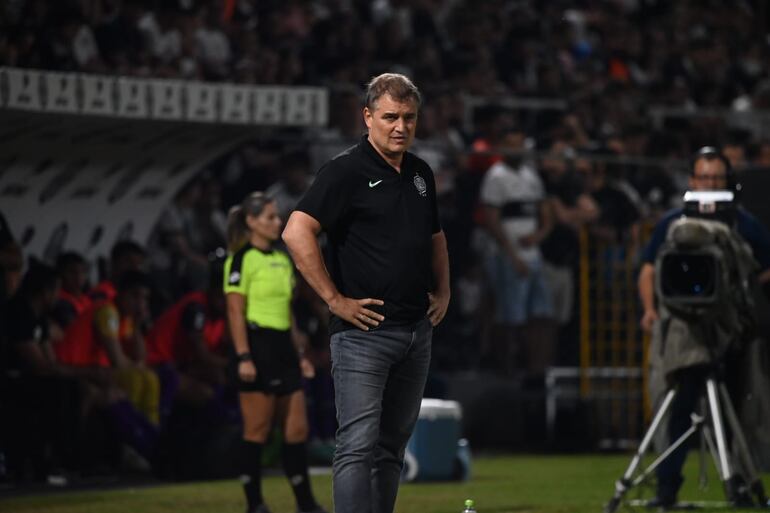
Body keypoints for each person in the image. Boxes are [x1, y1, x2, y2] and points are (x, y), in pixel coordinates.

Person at [282, 73, 451, 513]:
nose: (401, 127)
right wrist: (335, 300)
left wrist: (445, 292)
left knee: (391, 448)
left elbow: (436, 237)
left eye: (409, 118)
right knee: (357, 446)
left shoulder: (419, 172)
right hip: (363, 336)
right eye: (391, 117)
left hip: (416, 330)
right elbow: (296, 231)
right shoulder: (345, 171)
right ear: (368, 117)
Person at [638, 147, 770, 507]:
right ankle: (666, 490)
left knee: (738, 413)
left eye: (717, 178)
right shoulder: (673, 222)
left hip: (731, 333)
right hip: (684, 331)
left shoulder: (744, 223)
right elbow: (650, 268)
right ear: (692, 180)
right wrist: (650, 310)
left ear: (728, 181)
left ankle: (741, 483)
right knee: (677, 410)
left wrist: (745, 292)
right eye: (704, 178)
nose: (711, 185)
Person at [224, 192, 327, 513]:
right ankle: (255, 503)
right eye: (269, 217)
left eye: (276, 216)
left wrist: (300, 353)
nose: (277, 222)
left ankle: (305, 503)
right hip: (257, 347)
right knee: (257, 430)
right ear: (251, 222)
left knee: (297, 429)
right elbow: (234, 312)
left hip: (283, 347)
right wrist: (243, 356)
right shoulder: (239, 260)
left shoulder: (282, 259)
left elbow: (289, 313)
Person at [479, 127, 555, 377]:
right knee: (510, 316)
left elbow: (546, 215)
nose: (517, 149)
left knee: (541, 314)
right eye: (511, 143)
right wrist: (512, 255)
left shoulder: (531, 175)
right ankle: (507, 370)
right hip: (508, 256)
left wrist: (539, 235)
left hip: (534, 255)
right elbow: (491, 220)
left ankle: (537, 369)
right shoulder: (496, 176)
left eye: (520, 143)